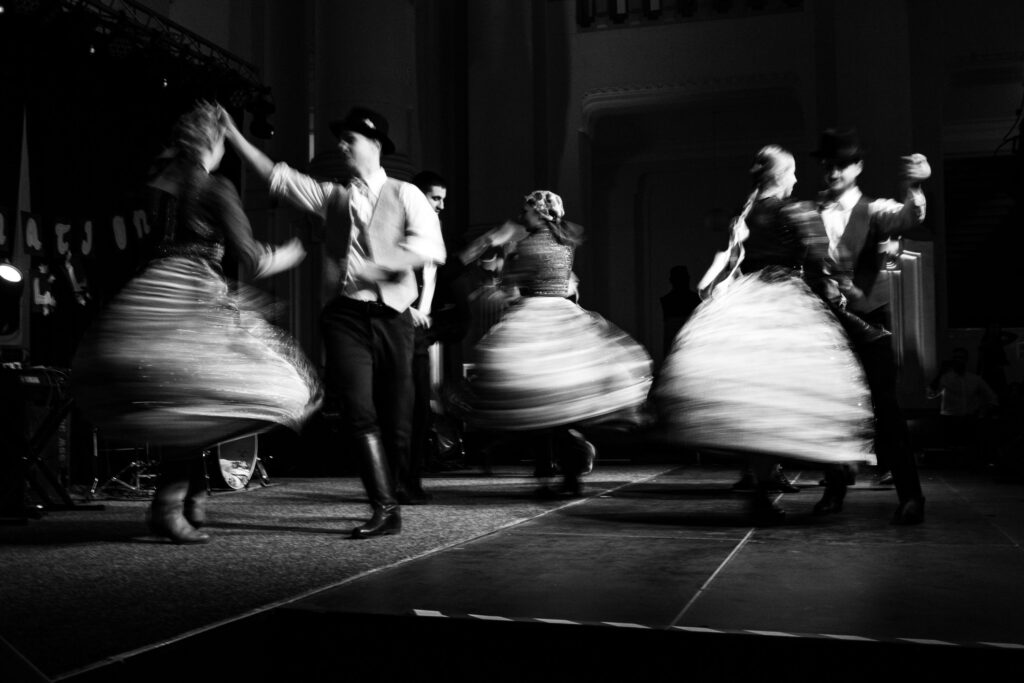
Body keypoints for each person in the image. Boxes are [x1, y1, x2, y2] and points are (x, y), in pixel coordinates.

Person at [72, 101, 322, 544]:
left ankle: (194, 495)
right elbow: (252, 259)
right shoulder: (215, 187)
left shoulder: (158, 185)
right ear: (216, 142)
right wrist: (299, 248)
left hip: (151, 297)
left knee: (184, 401)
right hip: (191, 297)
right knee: (265, 392)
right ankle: (170, 506)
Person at [222, 105, 445, 539]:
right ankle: (384, 508)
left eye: (350, 139)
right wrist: (234, 134)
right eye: (339, 140)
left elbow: (429, 247)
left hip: (393, 317)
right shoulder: (333, 196)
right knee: (359, 412)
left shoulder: (406, 194)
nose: (341, 146)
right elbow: (279, 177)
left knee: (398, 419)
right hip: (345, 317)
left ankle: (396, 489)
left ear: (375, 144)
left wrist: (383, 267)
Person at [654, 145, 875, 524]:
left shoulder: (747, 214)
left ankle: (764, 491)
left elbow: (734, 259)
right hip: (785, 300)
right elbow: (818, 259)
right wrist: (838, 291)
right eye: (792, 172)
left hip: (752, 299)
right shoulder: (793, 211)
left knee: (761, 400)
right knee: (806, 390)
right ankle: (835, 470)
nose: (796, 179)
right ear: (779, 175)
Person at [449, 190, 652, 497]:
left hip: (534, 317)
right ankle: (570, 469)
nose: (521, 216)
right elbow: (564, 283)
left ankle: (547, 467)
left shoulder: (527, 246)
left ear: (539, 213)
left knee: (533, 401)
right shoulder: (564, 243)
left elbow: (510, 287)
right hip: (563, 312)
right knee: (560, 402)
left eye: (525, 211)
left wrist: (492, 277)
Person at [812, 128, 931, 525]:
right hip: (829, 322)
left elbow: (909, 216)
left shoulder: (875, 209)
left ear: (857, 167)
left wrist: (915, 185)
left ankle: (911, 496)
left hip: (870, 319)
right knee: (830, 406)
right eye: (828, 165)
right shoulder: (812, 211)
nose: (833, 172)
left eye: (841, 165)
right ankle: (834, 490)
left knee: (887, 407)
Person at [400, 170, 448, 503]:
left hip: (420, 334)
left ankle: (412, 482)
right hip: (397, 327)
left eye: (443, 199)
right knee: (399, 409)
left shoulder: (433, 235)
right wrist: (406, 308)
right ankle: (395, 482)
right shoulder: (400, 229)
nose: (441, 205)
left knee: (420, 410)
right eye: (436, 198)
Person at [927, 347, 999, 462]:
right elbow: (931, 394)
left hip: (969, 419)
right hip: (950, 419)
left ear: (966, 360)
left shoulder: (974, 379)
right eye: (955, 358)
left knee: (967, 450)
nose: (958, 360)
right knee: (952, 449)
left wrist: (984, 410)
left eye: (960, 357)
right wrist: (940, 373)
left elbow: (992, 397)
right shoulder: (946, 378)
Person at [660, 265, 701, 357]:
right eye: (680, 278)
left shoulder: (696, 299)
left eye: (683, 278)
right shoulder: (667, 301)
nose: (682, 282)